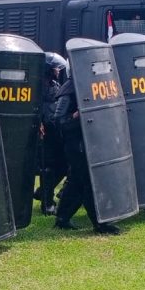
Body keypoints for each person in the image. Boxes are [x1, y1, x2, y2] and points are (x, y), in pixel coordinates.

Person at [50, 71, 120, 235]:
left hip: (89, 142)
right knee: (90, 182)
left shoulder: (87, 84)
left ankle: (62, 218)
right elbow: (59, 121)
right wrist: (76, 116)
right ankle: (100, 223)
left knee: (76, 182)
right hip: (77, 144)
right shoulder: (69, 89)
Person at [37, 52, 68, 216]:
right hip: (45, 131)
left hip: (56, 129)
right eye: (55, 68)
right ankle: (47, 203)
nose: (58, 70)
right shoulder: (37, 87)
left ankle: (42, 191)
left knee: (63, 165)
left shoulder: (55, 84)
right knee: (47, 168)